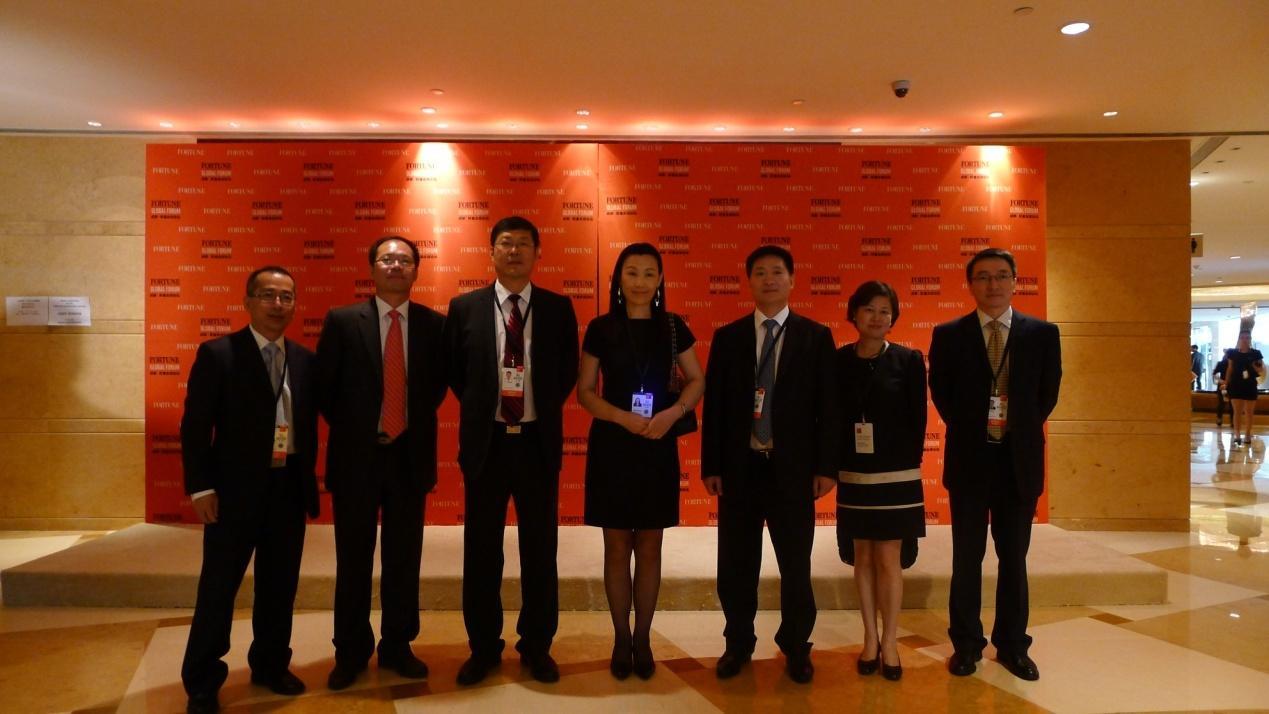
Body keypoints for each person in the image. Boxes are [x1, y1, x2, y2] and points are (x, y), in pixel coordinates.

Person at [444, 216, 580, 685]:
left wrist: (530, 408)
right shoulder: (464, 307)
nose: (515, 251)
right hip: (487, 444)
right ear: (491, 252)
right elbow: (458, 374)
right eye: (506, 243)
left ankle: (537, 646)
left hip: (536, 444)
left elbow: (565, 372)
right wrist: (491, 406)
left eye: (524, 243)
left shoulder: (558, 308)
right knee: (481, 552)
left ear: (538, 253)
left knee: (540, 551)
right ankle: (483, 648)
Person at [179, 266, 320, 714]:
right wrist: (200, 487)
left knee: (280, 587)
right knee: (218, 590)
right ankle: (203, 681)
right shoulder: (218, 354)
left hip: (287, 488)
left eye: (286, 297)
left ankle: (271, 665)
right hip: (233, 492)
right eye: (268, 295)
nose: (278, 304)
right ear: (248, 302)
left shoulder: (304, 360)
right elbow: (195, 426)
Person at [701, 245, 838, 684]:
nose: (769, 279)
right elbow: (715, 407)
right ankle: (738, 642)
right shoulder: (728, 337)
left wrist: (826, 467)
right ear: (749, 282)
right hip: (740, 469)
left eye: (777, 271)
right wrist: (711, 465)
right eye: (759, 272)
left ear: (792, 280)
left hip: (792, 471)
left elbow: (828, 409)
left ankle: (796, 645)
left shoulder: (815, 337)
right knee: (736, 565)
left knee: (795, 565)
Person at [317, 236, 448, 690]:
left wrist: (402, 423)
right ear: (372, 268)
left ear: (416, 270)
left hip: (409, 458)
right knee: (353, 560)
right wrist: (364, 428)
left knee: (403, 559)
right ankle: (350, 651)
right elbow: (326, 390)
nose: (395, 265)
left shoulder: (435, 325)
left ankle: (398, 645)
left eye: (404, 260)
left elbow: (434, 389)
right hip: (357, 458)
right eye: (387, 259)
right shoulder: (341, 321)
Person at [929, 248, 1061, 682]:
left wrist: (1014, 429)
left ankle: (1012, 645)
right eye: (983, 277)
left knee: (1014, 559)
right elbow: (942, 394)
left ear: (1015, 281)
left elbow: (1047, 395)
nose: (993, 284)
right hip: (970, 462)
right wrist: (976, 430)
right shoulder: (949, 335)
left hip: (1018, 462)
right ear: (970, 284)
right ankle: (966, 645)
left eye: (1002, 275)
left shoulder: (1043, 334)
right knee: (967, 559)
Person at [577, 243, 705, 680]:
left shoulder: (673, 327)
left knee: (650, 547)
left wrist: (672, 414)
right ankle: (620, 637)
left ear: (660, 280)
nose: (640, 281)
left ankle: (644, 638)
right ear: (618, 278)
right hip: (613, 446)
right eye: (631, 272)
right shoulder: (601, 328)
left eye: (650, 273)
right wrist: (621, 417)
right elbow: (585, 392)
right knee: (616, 547)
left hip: (657, 445)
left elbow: (697, 379)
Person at [835, 280, 926, 682]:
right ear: (854, 313)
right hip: (854, 473)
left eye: (884, 311)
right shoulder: (838, 361)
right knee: (863, 556)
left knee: (889, 557)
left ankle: (890, 641)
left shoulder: (908, 360)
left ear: (894, 318)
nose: (876, 317)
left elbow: (918, 420)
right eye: (869, 309)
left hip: (896, 475)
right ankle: (869, 638)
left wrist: (903, 465)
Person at [1220, 330, 1264, 447]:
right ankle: (1237, 434)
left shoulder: (1256, 353)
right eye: (1243, 338)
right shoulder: (1233, 353)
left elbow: (1260, 370)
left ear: (1250, 339)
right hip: (1236, 384)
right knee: (1237, 412)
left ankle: (1247, 434)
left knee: (1249, 412)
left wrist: (1254, 365)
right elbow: (1230, 369)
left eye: (1247, 338)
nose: (1245, 340)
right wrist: (1226, 382)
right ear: (1239, 339)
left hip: (1250, 384)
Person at [1214, 349, 1234, 427]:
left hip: (1223, 385)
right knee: (1231, 403)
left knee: (1222, 403)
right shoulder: (1233, 364)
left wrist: (1220, 381)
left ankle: (1220, 419)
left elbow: (1215, 374)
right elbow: (1215, 374)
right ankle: (1232, 421)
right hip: (1230, 385)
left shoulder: (1220, 363)